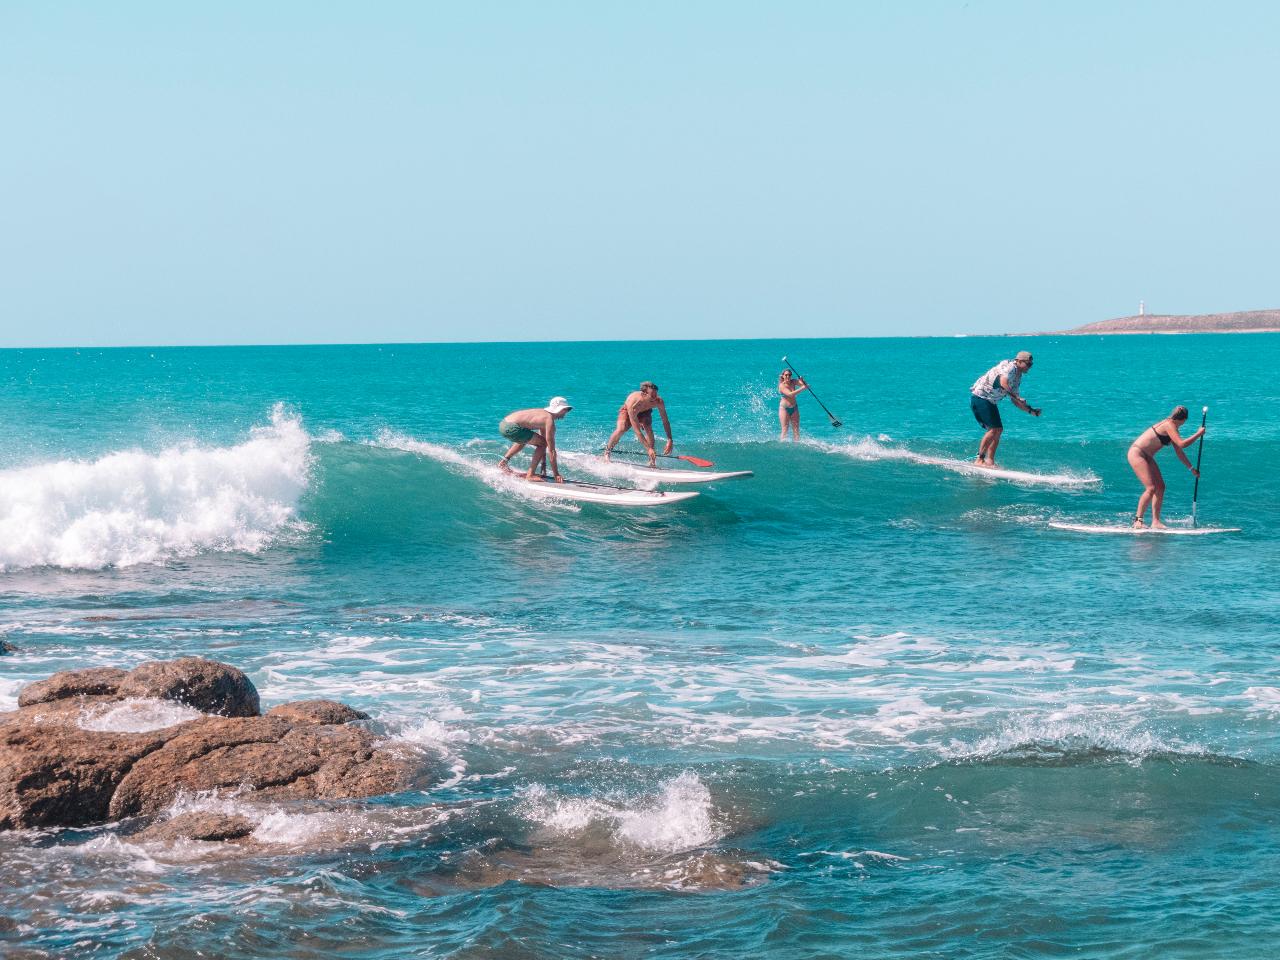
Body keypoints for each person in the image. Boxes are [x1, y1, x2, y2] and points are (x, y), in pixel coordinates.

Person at [1127, 405, 1204, 528]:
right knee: (1151, 488)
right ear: (1183, 420)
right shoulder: (1169, 425)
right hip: (1137, 453)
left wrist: (1192, 469)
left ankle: (1155, 522)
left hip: (1147, 456)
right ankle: (1138, 520)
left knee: (1161, 487)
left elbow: (1179, 452)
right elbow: (1182, 444)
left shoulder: (1173, 428)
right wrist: (1198, 434)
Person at [969, 350, 1041, 467]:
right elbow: (1003, 383)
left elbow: (1015, 401)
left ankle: (990, 461)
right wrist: (1017, 396)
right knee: (993, 429)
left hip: (990, 401)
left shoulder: (1018, 376)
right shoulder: (1010, 367)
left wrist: (1031, 411)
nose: (1030, 367)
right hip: (980, 397)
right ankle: (979, 459)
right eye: (1028, 364)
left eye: (1031, 364)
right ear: (1019, 361)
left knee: (998, 429)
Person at [497, 397, 573, 482]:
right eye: (566, 410)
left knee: (527, 438)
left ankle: (503, 463)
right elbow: (551, 450)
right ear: (560, 409)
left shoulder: (543, 414)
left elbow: (543, 441)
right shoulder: (549, 421)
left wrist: (543, 463)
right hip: (512, 427)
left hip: (503, 424)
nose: (566, 412)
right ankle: (530, 475)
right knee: (541, 443)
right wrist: (556, 474)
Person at [603, 381, 672, 466]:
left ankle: (651, 460)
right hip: (628, 411)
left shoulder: (658, 401)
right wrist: (648, 449)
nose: (655, 398)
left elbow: (665, 421)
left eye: (656, 394)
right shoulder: (634, 405)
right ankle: (607, 451)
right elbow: (637, 431)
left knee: (649, 429)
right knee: (621, 428)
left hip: (645, 411)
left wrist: (670, 439)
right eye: (652, 395)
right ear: (644, 394)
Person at [778, 369, 808, 440]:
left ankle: (796, 444)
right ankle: (782, 445)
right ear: (783, 376)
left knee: (796, 429)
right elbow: (790, 394)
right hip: (784, 409)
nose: (788, 376)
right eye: (786, 375)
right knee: (785, 429)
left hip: (794, 408)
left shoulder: (793, 381)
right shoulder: (781, 386)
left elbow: (805, 385)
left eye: (789, 375)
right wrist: (802, 388)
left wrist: (802, 381)